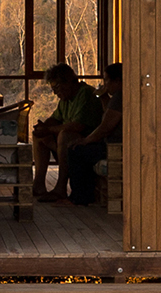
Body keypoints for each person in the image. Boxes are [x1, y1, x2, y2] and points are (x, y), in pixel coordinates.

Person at [32, 63, 103, 202]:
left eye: (57, 87)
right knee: (39, 136)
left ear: (69, 81)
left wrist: (49, 129)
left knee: (65, 135)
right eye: (53, 89)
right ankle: (38, 184)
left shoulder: (86, 93)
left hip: (87, 144)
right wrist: (43, 127)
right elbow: (55, 118)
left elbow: (77, 126)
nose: (55, 93)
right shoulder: (65, 99)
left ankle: (60, 188)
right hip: (67, 146)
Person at [65, 63, 123, 206]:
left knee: (76, 151)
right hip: (112, 144)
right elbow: (107, 117)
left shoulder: (120, 97)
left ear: (117, 81)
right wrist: (103, 98)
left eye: (107, 80)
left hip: (115, 147)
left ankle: (80, 197)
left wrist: (86, 140)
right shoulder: (117, 97)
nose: (105, 84)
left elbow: (106, 127)